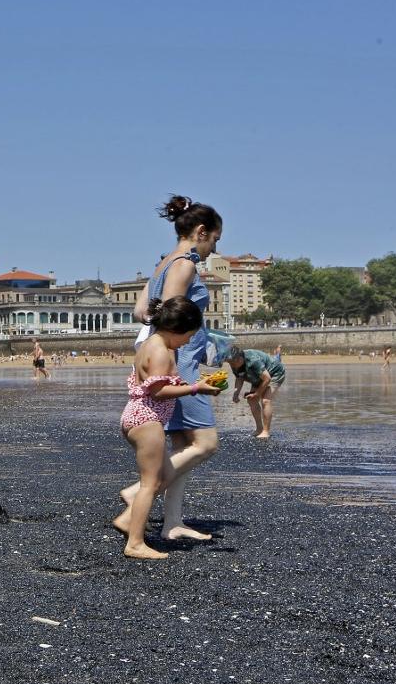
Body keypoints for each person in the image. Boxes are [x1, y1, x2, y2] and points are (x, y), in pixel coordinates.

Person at [118, 194, 224, 542]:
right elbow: (169, 312)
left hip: (171, 355)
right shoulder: (185, 264)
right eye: (215, 241)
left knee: (181, 442)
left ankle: (172, 522)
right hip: (180, 361)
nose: (213, 249)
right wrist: (176, 366)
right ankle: (137, 495)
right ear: (201, 231)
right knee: (206, 442)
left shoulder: (163, 263)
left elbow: (141, 313)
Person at [116, 296, 220, 559]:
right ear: (176, 329)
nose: (187, 342)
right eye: (188, 336)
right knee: (150, 484)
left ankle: (130, 524)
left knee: (160, 478)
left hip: (138, 416)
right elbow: (159, 390)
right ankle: (135, 543)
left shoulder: (150, 343)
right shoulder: (162, 351)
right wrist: (196, 388)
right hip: (147, 420)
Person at [226, 345, 285, 438]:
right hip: (258, 376)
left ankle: (266, 431)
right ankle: (259, 429)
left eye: (233, 362)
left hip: (274, 373)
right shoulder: (233, 362)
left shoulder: (253, 361)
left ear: (240, 358)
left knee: (265, 400)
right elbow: (239, 377)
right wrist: (236, 393)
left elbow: (267, 379)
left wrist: (257, 394)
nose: (232, 365)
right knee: (251, 400)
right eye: (230, 362)